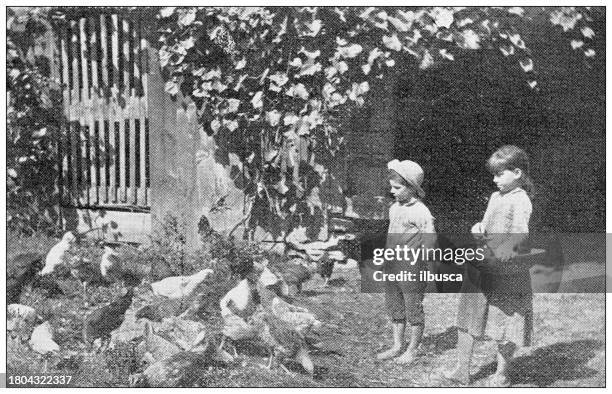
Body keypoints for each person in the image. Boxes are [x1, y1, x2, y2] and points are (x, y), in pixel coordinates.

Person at [445, 145, 534, 386]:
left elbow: (520, 232)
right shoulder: (495, 197)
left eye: (499, 174)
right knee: (469, 313)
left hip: (507, 268)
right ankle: (462, 369)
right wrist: (479, 230)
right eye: (493, 175)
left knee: (506, 318)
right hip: (484, 261)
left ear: (516, 172)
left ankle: (502, 373)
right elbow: (486, 227)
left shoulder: (521, 200)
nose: (494, 180)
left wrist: (507, 249)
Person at [376, 159, 436, 365]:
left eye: (397, 187)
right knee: (395, 306)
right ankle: (397, 345)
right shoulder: (394, 208)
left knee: (413, 308)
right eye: (391, 187)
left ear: (412, 188)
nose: (392, 191)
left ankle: (412, 349)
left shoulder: (421, 211)